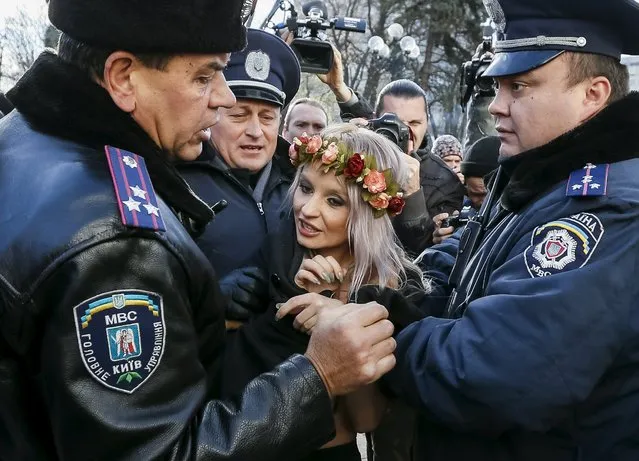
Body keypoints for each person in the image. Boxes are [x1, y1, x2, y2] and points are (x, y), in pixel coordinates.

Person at [0, 1, 398, 459]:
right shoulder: (117, 239)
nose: (224, 97)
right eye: (204, 76)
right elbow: (158, 451)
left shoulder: (29, 138)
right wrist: (318, 376)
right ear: (124, 76)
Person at [385, 0, 639, 459]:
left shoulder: (607, 207)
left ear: (593, 95)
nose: (498, 107)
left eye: (519, 87)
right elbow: (473, 252)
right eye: (498, 86)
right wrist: (407, 287)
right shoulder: (540, 171)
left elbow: (491, 375)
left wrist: (385, 334)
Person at [220, 124, 433, 460]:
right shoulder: (277, 252)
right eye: (305, 188)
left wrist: (339, 317)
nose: (307, 209)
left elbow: (366, 419)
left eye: (334, 200)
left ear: (367, 213)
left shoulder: (386, 287)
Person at [177, 28, 301, 278]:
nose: (255, 131)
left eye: (267, 118)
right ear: (212, 114)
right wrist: (213, 297)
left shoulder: (302, 182)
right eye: (239, 116)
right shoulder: (176, 185)